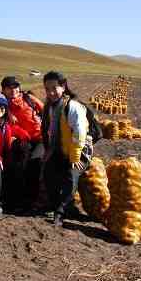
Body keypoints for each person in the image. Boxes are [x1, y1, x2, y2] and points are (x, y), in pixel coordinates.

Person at [41, 71, 93, 227]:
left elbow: (80, 132)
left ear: (63, 87)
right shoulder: (50, 107)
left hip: (80, 150)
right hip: (60, 149)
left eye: (54, 88)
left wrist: (75, 156)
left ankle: (61, 212)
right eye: (47, 89)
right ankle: (54, 204)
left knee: (71, 176)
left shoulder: (73, 107)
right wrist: (49, 150)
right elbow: (50, 131)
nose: (50, 92)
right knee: (48, 172)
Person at [0, 76, 45, 209]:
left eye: (15, 87)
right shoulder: (1, 106)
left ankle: (33, 198)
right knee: (18, 163)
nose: (13, 90)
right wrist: (8, 112)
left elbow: (46, 111)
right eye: (9, 87)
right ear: (3, 90)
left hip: (40, 138)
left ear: (19, 88)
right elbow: (2, 125)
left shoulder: (29, 98)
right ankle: (20, 197)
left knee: (36, 162)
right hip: (23, 138)